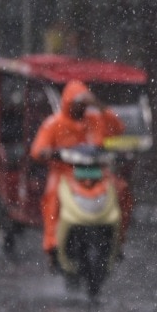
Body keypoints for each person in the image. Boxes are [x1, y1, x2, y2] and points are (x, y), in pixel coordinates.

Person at [29, 80, 128, 270]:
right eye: (78, 104)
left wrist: (100, 106)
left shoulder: (96, 120)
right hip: (66, 173)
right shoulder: (54, 124)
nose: (82, 108)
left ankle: (118, 241)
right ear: (68, 104)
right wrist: (49, 153)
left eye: (85, 104)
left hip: (98, 173)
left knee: (121, 190)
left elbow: (118, 128)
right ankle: (52, 246)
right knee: (52, 197)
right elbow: (37, 149)